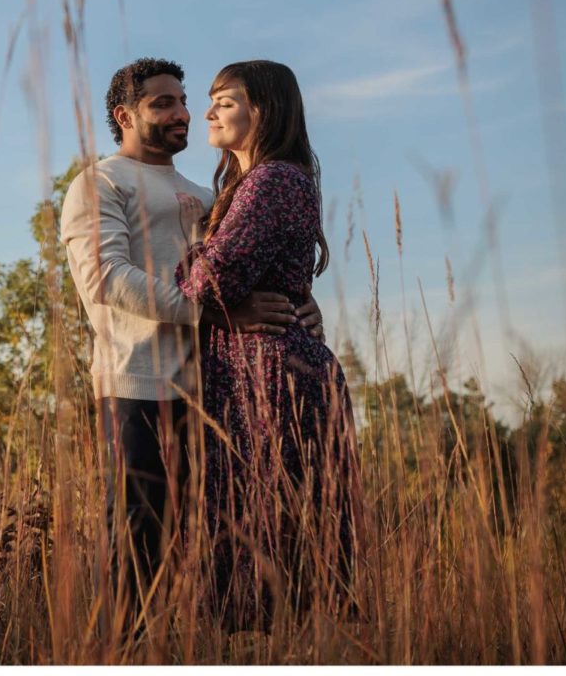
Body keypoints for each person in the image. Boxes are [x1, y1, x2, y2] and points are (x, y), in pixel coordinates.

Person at [58, 58, 325, 635]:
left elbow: (249, 268)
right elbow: (106, 278)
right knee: (139, 541)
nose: (182, 113)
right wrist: (212, 310)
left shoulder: (211, 192)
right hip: (141, 386)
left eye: (183, 100)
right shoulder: (101, 182)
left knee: (222, 547)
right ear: (124, 115)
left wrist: (303, 302)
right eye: (163, 104)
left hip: (222, 393)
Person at [175, 60, 361, 635]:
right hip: (266, 369)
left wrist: (193, 250)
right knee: (272, 537)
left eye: (225, 101)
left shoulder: (272, 180)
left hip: (271, 378)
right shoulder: (261, 183)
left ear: (265, 111)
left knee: (269, 535)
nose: (208, 112)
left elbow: (208, 284)